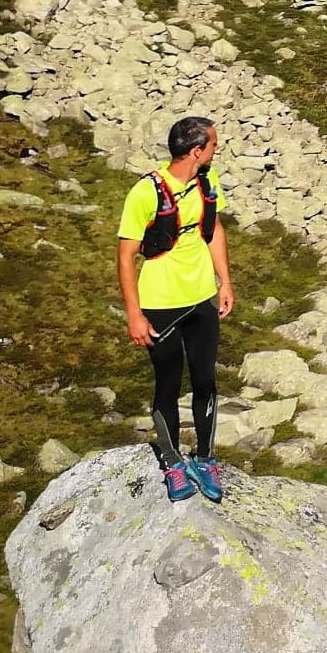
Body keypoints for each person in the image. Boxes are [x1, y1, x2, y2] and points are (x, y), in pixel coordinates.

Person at [116, 115, 235, 502]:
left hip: (202, 298)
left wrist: (225, 281)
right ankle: (171, 462)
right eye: (214, 145)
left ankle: (204, 458)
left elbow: (214, 229)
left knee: (205, 381)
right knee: (167, 384)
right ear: (196, 150)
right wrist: (134, 314)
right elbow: (125, 255)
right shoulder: (146, 192)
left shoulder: (207, 181)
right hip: (160, 304)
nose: (217, 150)